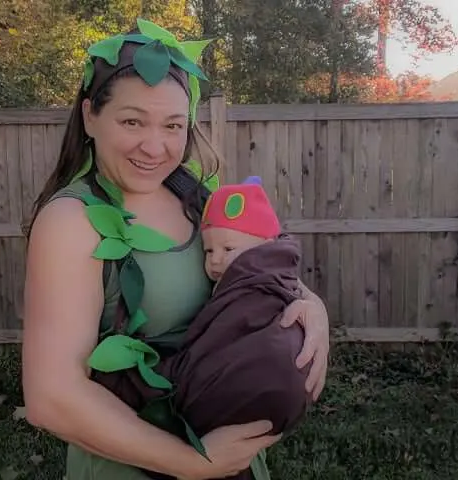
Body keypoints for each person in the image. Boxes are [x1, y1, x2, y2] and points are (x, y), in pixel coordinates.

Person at [21, 18, 330, 480]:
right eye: (132, 121)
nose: (155, 146)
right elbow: (52, 397)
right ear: (89, 116)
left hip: (234, 462)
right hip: (138, 466)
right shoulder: (70, 223)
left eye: (172, 125)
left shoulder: (198, 199)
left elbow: (264, 271)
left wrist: (312, 306)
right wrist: (191, 463)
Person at [91, 175, 312, 480]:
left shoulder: (253, 281)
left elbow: (219, 334)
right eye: (208, 252)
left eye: (228, 248)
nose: (216, 261)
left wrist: (314, 309)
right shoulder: (75, 214)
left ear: (263, 247)